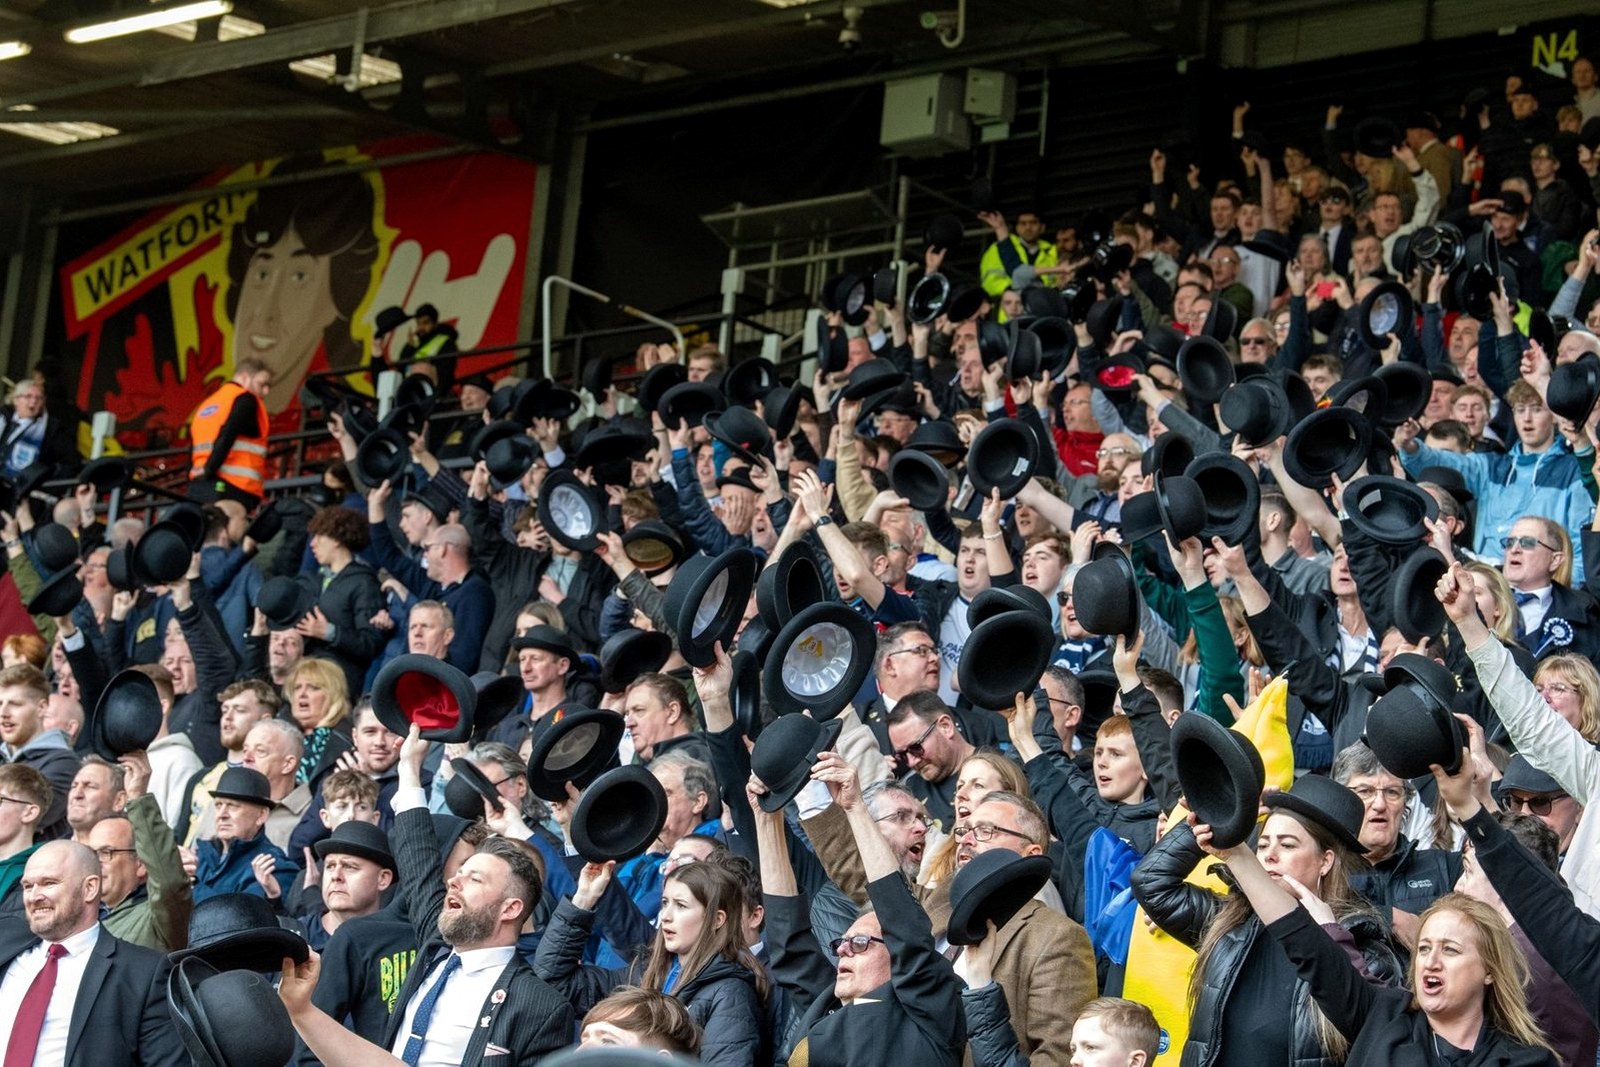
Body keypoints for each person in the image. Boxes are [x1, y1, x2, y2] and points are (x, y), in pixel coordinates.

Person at [1207, 822, 1557, 1064]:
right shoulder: (1381, 1015)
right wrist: (1237, 855)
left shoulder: (1528, 1060)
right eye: (1424, 948)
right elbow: (1303, 942)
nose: (1431, 961)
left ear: (1490, 970)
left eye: (1450, 950)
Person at [1131, 775, 1401, 1066]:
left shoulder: (1367, 955)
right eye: (1262, 845)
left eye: (1287, 845)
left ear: (1325, 861)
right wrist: (1214, 817)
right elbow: (1151, 882)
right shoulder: (1229, 922)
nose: (1270, 856)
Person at [753, 750, 966, 1066]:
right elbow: (789, 947)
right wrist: (766, 820)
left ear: (898, 955)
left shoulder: (929, 1014)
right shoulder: (829, 1007)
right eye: (843, 943)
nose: (843, 950)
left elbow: (900, 918)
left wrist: (854, 806)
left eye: (861, 943)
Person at [535, 858, 770, 1066]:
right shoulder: (646, 971)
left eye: (681, 905)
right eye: (665, 903)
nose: (665, 916)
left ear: (717, 919)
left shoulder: (731, 993)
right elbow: (553, 981)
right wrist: (583, 900)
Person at [0, 841, 185, 1066]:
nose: (33, 896)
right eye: (28, 886)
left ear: (89, 888)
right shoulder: (6, 943)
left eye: (49, 883)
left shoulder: (143, 973)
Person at [89, 749, 192, 953]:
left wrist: (138, 799)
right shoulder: (80, 919)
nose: (95, 862)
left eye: (106, 852)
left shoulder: (160, 918)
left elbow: (169, 883)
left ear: (141, 864)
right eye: (91, 854)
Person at [188, 766, 299, 903]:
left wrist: (191, 885)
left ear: (261, 815)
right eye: (218, 805)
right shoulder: (200, 856)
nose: (221, 815)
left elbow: (237, 914)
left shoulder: (274, 868)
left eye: (232, 806)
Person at [0, 663, 80, 840]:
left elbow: (14, 821)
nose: (4, 712)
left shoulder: (64, 764)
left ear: (42, 708)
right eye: (0, 703)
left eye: (15, 704)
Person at [187, 357, 272, 507]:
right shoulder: (246, 399)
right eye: (262, 384)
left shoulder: (208, 404)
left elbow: (192, 446)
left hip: (200, 483)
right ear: (244, 377)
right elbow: (227, 434)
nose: (266, 391)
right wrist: (210, 469)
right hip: (235, 486)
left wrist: (195, 477)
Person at [0, 378, 79, 482]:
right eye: (28, 396)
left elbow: (70, 463)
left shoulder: (52, 430)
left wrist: (43, 477)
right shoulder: (3, 417)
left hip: (19, 486)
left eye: (39, 398)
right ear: (16, 399)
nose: (33, 401)